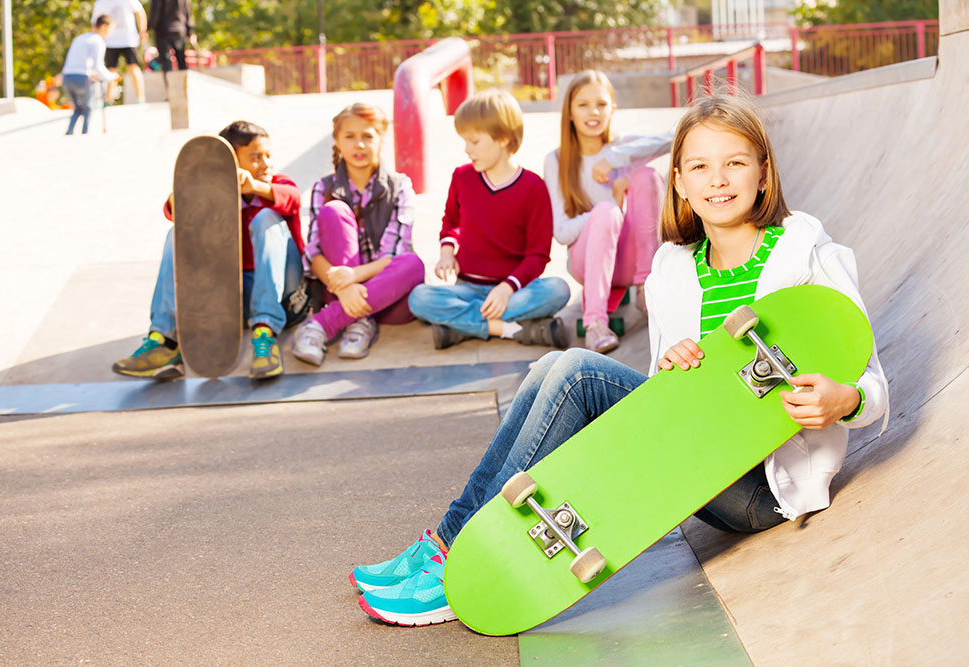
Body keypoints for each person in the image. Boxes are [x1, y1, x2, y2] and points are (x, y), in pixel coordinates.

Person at [350, 94, 888, 627]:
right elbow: (659, 409)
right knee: (547, 372)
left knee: (575, 371)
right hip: (693, 463)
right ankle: (444, 546)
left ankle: (450, 559)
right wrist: (674, 369)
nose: (718, 180)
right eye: (700, 167)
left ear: (764, 173)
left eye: (735, 163)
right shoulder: (674, 268)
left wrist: (846, 399)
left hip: (763, 488)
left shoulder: (807, 252)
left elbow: (869, 382)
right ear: (678, 181)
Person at [113, 120, 305, 380]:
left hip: (285, 293)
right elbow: (171, 211)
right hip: (231, 300)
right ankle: (165, 339)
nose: (266, 164)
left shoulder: (277, 183)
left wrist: (254, 187)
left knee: (266, 220)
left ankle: (265, 333)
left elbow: (292, 199)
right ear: (231, 164)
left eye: (268, 155)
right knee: (177, 234)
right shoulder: (215, 195)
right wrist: (185, 195)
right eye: (256, 157)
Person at [407, 89, 571, 350]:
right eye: (465, 141)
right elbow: (451, 222)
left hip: (514, 291)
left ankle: (460, 327)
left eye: (474, 141)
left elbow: (538, 256)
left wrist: (506, 289)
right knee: (419, 298)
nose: (466, 149)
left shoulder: (533, 187)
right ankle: (511, 329)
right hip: (467, 288)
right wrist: (447, 252)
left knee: (559, 290)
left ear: (503, 138)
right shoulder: (462, 177)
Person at [545, 70, 672, 354]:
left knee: (647, 176)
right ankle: (595, 325)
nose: (593, 112)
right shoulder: (556, 160)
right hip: (585, 262)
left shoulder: (623, 146)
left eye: (601, 104)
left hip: (631, 261)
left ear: (612, 108)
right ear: (569, 113)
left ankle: (646, 291)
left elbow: (676, 137)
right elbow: (562, 233)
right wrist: (613, 207)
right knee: (606, 212)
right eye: (583, 104)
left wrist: (615, 158)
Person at [291, 103, 425, 365]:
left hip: (387, 297)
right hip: (337, 291)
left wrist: (354, 278)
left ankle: (321, 326)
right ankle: (357, 321)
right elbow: (313, 254)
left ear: (381, 139)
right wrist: (347, 288)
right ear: (337, 141)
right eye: (350, 136)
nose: (359, 145)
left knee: (412, 263)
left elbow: (394, 253)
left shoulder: (400, 187)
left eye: (367, 136)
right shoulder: (324, 187)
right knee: (334, 211)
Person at [61, 14, 119, 135]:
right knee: (88, 108)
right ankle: (84, 134)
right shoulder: (97, 41)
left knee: (78, 107)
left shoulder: (80, 38)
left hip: (66, 77)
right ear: (104, 27)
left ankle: (69, 131)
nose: (110, 33)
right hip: (81, 78)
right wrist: (112, 76)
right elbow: (98, 65)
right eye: (110, 29)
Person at [92, 0, 149, 104]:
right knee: (110, 70)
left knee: (133, 67)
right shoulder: (100, 3)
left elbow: (140, 12)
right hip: (110, 41)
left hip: (129, 40)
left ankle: (140, 98)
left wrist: (142, 31)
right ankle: (108, 100)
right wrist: (95, 41)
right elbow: (94, 24)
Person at [147, 0, 196, 72]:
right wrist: (190, 31)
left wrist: (147, 28)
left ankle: (168, 81)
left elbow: (155, 13)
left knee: (166, 61)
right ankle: (183, 80)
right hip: (179, 29)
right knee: (181, 61)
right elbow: (187, 12)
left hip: (163, 31)